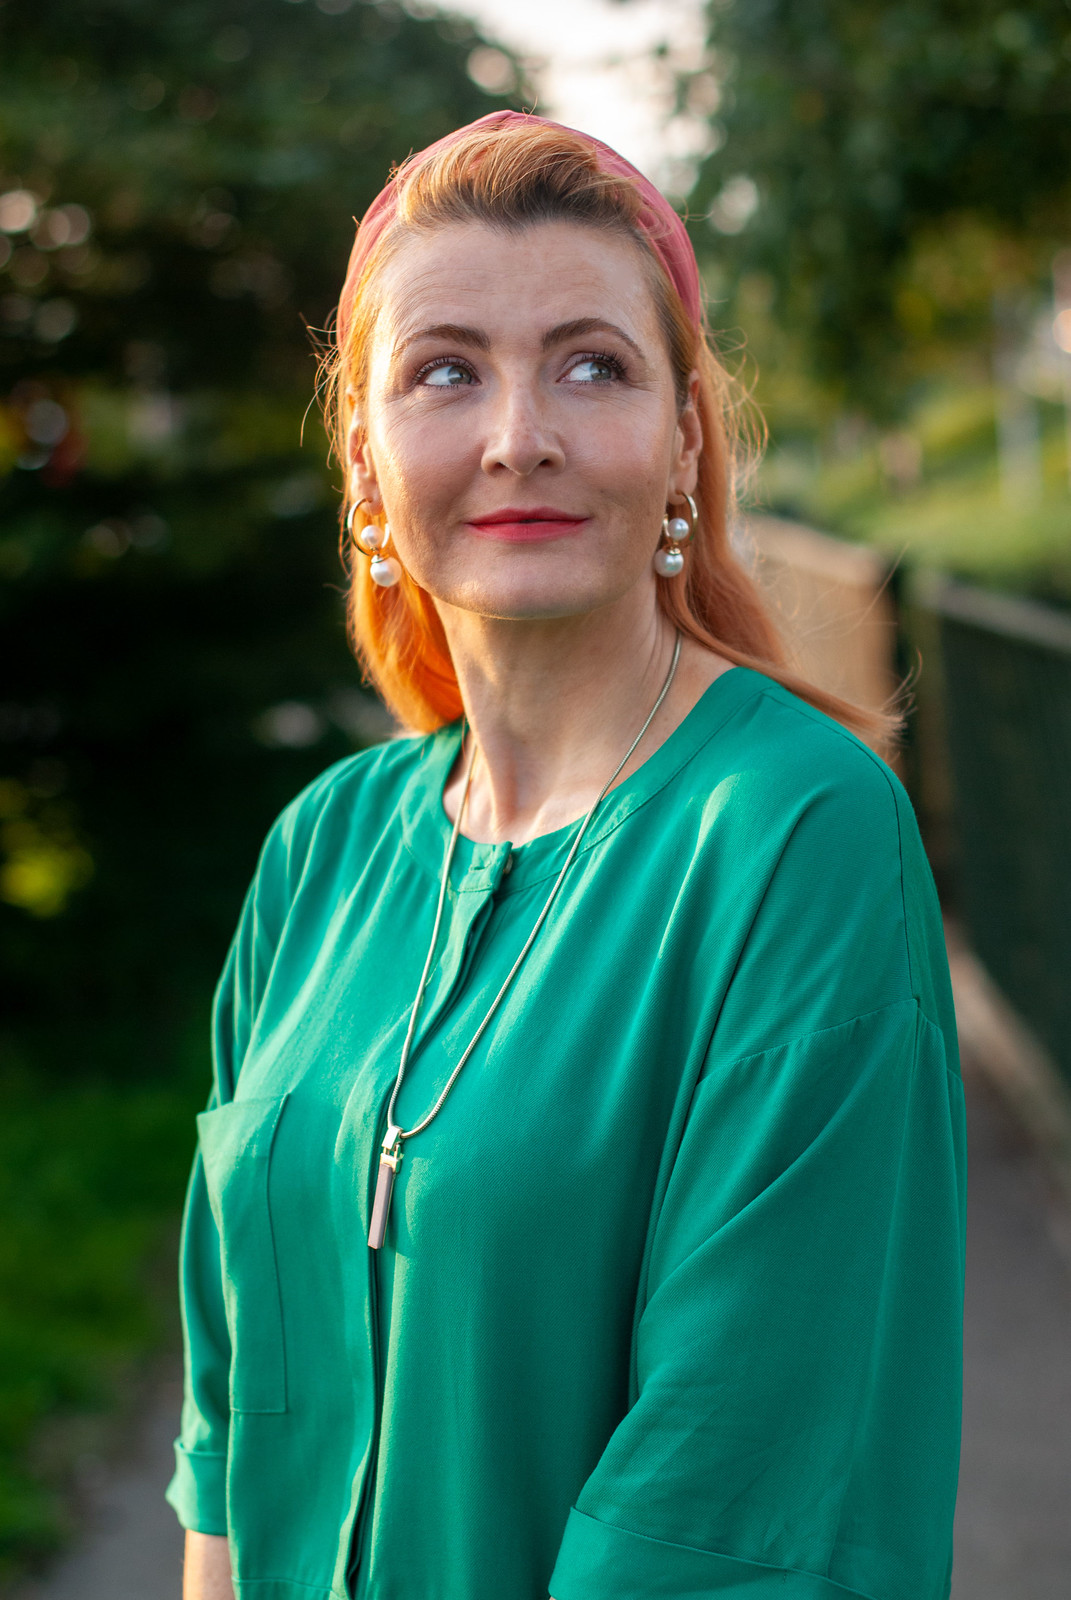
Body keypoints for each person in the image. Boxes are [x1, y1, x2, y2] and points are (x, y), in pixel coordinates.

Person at [166, 111, 967, 1600]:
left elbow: (731, 1510)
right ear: (366, 454)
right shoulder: (319, 856)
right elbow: (227, 1436)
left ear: (683, 437)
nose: (517, 433)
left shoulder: (796, 839)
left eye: (591, 364)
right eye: (444, 369)